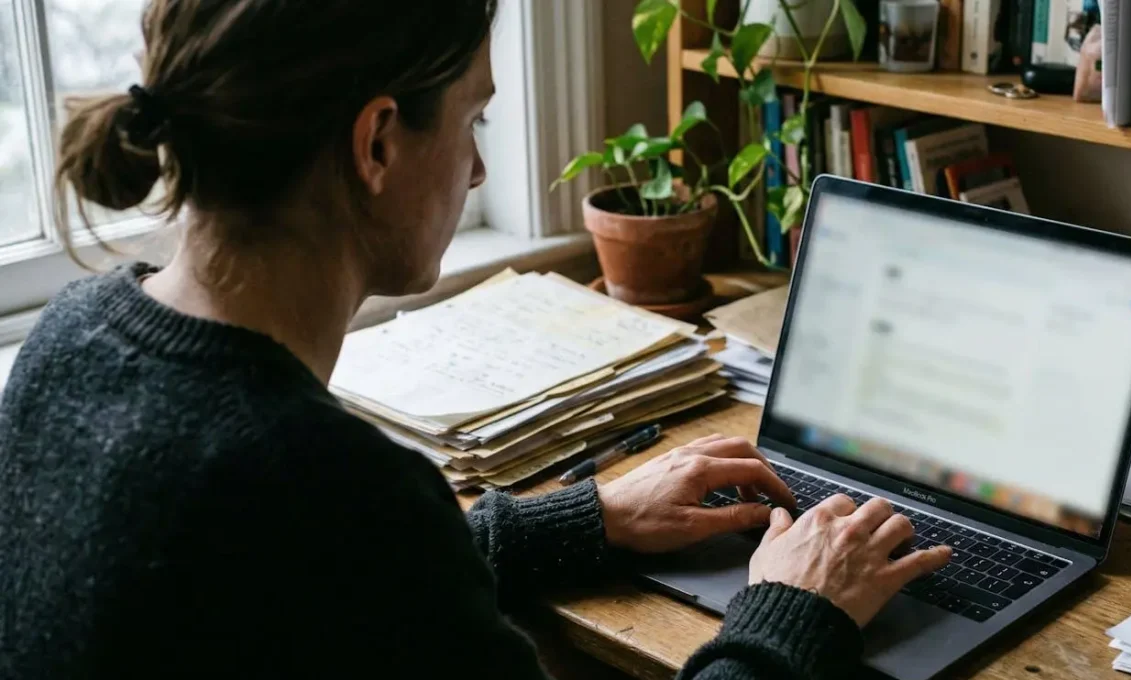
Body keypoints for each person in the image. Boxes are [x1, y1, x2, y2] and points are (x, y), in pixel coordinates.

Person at [0, 1, 950, 678]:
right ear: (376, 144)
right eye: (474, 117)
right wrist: (797, 608)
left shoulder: (71, 340)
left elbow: (319, 585)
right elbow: (342, 545)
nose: (481, 164)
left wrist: (587, 516)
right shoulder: (324, 483)